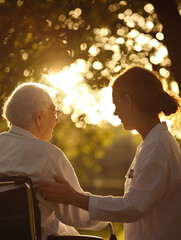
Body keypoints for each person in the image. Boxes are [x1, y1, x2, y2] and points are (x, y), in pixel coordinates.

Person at [36, 66, 181, 240]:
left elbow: (134, 206)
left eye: (116, 104)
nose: (115, 112)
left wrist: (74, 197)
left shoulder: (159, 145)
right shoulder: (152, 143)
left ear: (128, 101)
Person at [0, 82, 108, 240]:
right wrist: (108, 216)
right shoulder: (48, 155)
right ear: (39, 117)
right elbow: (77, 216)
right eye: (54, 111)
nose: (57, 119)